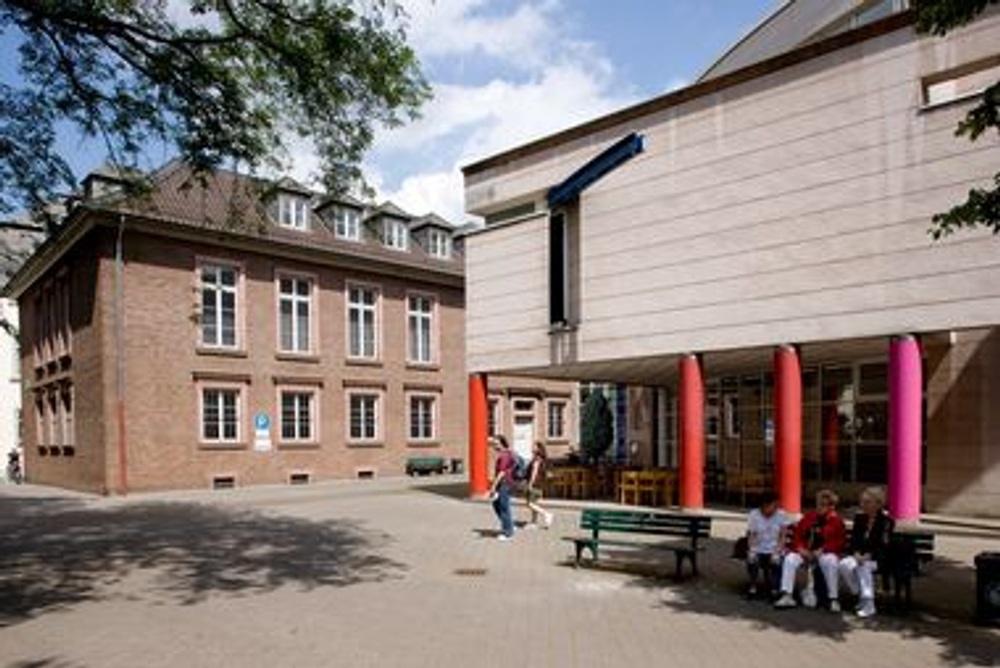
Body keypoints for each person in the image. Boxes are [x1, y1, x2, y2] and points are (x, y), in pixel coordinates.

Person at [774, 488, 847, 611]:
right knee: (790, 559)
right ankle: (787, 595)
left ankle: (833, 599)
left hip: (824, 553)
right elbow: (797, 536)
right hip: (806, 551)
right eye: (818, 504)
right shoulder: (809, 517)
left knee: (831, 562)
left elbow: (839, 542)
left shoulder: (836, 521)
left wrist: (823, 549)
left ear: (831, 507)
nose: (819, 507)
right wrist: (800, 549)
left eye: (823, 505)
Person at [839, 486, 893, 618]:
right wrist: (856, 553)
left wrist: (869, 556)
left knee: (864, 567)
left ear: (878, 504)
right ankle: (859, 593)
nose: (863, 505)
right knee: (844, 564)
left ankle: (869, 605)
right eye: (862, 502)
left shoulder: (886, 522)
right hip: (859, 556)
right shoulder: (860, 519)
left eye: (867, 502)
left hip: (878, 558)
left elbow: (884, 545)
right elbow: (854, 541)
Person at [744, 492, 787, 599]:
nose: (774, 508)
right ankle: (752, 587)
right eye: (772, 505)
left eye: (775, 505)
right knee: (752, 560)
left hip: (774, 548)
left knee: (777, 562)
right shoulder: (754, 514)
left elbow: (782, 536)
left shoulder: (781, 515)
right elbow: (751, 535)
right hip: (758, 548)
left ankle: (774, 588)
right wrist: (752, 550)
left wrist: (777, 551)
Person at [488, 435, 516, 541]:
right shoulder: (507, 453)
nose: (494, 446)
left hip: (504, 484)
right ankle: (509, 525)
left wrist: (493, 486)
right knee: (496, 504)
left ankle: (508, 532)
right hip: (505, 483)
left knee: (503, 507)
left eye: (496, 443)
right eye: (493, 444)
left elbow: (501, 472)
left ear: (502, 443)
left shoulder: (504, 455)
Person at [525, 441, 554, 529]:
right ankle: (533, 522)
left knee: (529, 504)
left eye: (534, 446)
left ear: (538, 449)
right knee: (534, 503)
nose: (532, 448)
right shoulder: (542, 459)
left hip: (535, 484)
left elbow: (534, 473)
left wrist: (530, 484)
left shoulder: (536, 460)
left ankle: (546, 514)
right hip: (540, 484)